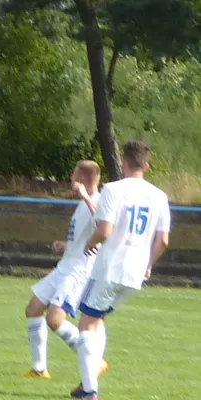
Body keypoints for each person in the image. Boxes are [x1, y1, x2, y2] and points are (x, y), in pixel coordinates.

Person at [70, 141, 171, 400]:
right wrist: (149, 263)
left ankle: (89, 391)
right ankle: (86, 382)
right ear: (146, 166)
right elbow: (163, 240)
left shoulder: (113, 189)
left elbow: (104, 230)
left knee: (86, 325)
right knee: (98, 319)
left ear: (123, 163)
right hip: (136, 273)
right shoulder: (159, 196)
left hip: (110, 268)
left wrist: (90, 244)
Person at [24, 160, 108, 379]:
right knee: (33, 309)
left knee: (55, 320)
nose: (70, 178)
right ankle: (39, 369)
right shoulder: (82, 204)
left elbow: (104, 224)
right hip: (65, 266)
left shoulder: (97, 200)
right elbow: (84, 239)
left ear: (81, 180)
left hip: (78, 271)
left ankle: (95, 361)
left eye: (73, 175)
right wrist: (65, 245)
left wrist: (86, 196)